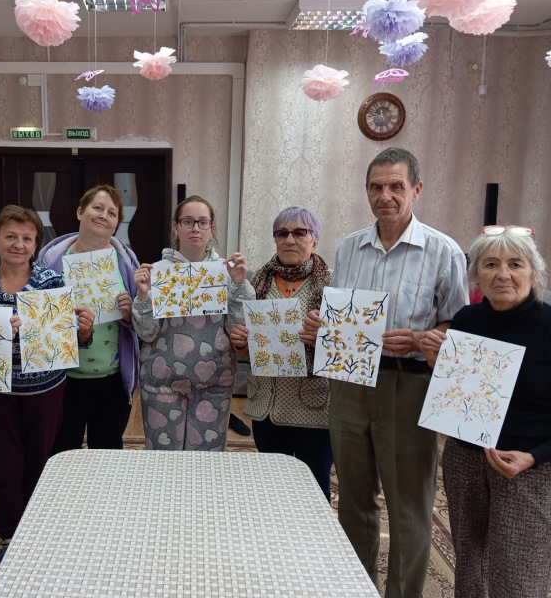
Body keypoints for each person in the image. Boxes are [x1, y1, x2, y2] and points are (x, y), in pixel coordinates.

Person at [302, 148, 467, 597]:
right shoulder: (349, 247)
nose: (385, 196)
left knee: (408, 505)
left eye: (396, 186)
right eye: (376, 187)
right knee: (354, 500)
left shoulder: (443, 250)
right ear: (366, 191)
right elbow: (342, 315)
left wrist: (422, 338)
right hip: (350, 382)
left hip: (408, 384)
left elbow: (460, 327)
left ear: (416, 189)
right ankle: (357, 588)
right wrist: (321, 326)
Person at [420, 226, 551, 598]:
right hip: (464, 458)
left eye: (515, 264)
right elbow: (458, 391)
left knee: (519, 576)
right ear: (476, 274)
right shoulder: (467, 319)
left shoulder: (548, 326)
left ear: (534, 274)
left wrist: (534, 457)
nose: (503, 274)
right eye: (491, 264)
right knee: (470, 565)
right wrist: (437, 365)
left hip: (527, 466)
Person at [0, 205, 92, 556]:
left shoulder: (51, 283)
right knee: (3, 463)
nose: (18, 245)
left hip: (45, 389)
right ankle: (10, 533)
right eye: (10, 236)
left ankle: (37, 529)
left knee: (41, 460)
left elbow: (68, 339)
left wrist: (83, 332)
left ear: (36, 245)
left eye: (27, 238)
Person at [132, 195, 255, 450]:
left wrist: (239, 285)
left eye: (202, 222)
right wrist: (143, 296)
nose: (195, 228)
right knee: (163, 461)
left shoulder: (227, 272)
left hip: (214, 383)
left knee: (205, 463)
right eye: (188, 221)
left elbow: (238, 330)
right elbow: (147, 333)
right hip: (162, 384)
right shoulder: (157, 273)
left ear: (212, 227)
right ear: (176, 226)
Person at [229, 206, 333, 500]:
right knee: (272, 490)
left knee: (314, 490)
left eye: (299, 232)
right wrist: (241, 341)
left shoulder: (332, 286)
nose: (289, 240)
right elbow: (248, 345)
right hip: (266, 406)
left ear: (315, 241)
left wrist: (323, 338)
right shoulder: (256, 283)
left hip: (312, 408)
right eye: (281, 233)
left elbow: (346, 348)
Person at [36, 184, 139, 451]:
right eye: (98, 208)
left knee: (107, 453)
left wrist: (130, 314)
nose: (104, 215)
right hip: (62, 378)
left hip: (111, 377)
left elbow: (141, 322)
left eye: (112, 213)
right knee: (60, 452)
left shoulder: (126, 263)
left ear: (116, 224)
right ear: (80, 212)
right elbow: (40, 322)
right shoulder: (51, 262)